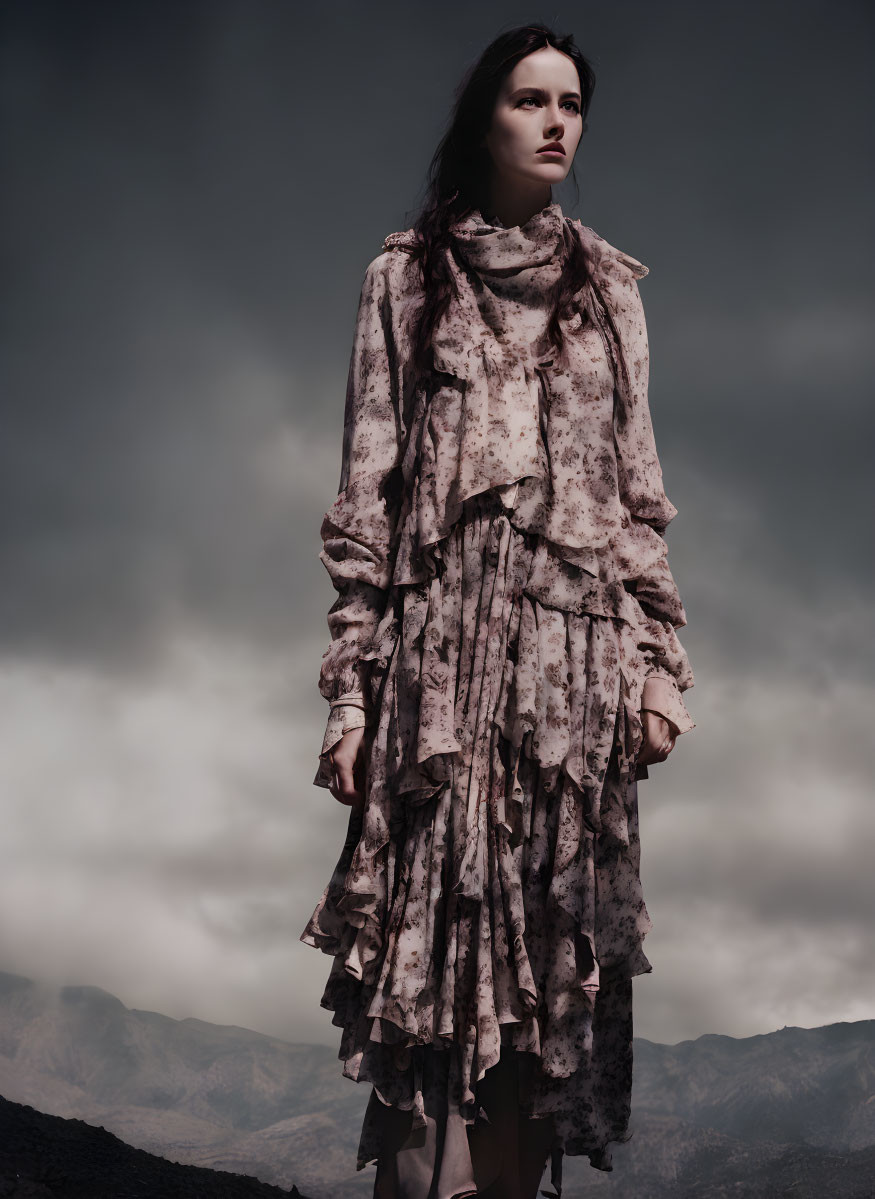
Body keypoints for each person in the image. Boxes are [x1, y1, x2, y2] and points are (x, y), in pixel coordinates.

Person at [299, 22, 696, 1199]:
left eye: (572, 101)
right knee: (428, 993)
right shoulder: (403, 280)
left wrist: (658, 661)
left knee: (543, 998)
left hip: (572, 681)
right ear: (485, 118)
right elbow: (364, 498)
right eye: (530, 99)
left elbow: (636, 492)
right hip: (441, 677)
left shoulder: (609, 291)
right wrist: (350, 697)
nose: (556, 121)